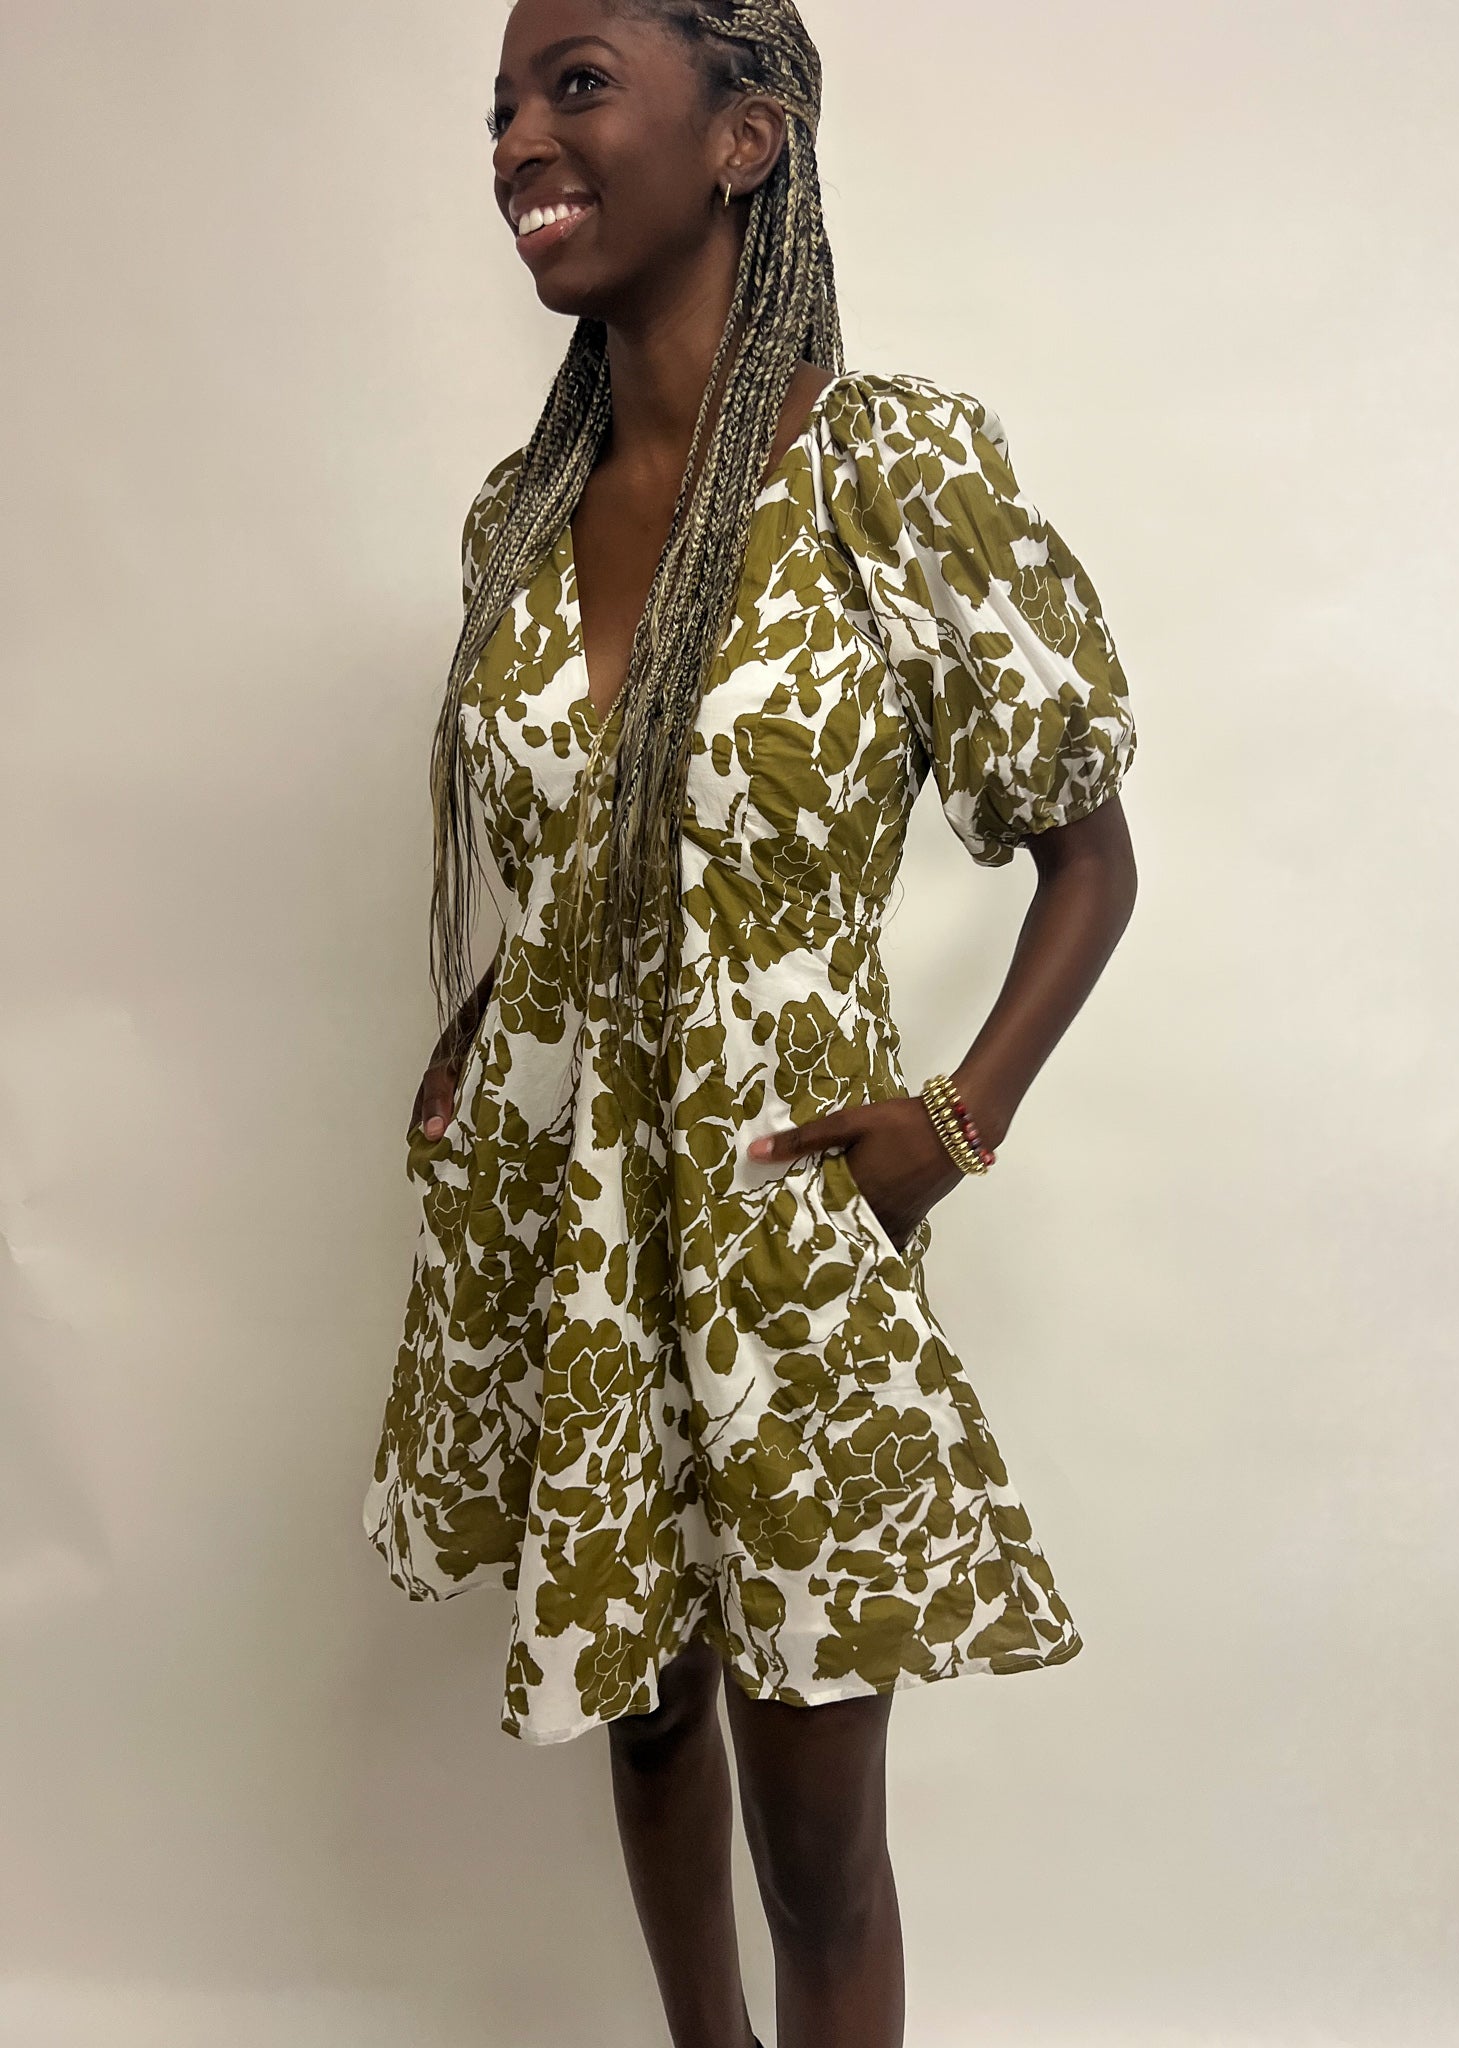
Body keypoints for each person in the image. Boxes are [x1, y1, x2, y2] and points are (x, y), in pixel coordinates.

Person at [365, 2, 1138, 2043]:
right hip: (570, 1220)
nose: (520, 140)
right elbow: (582, 845)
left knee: (818, 1848)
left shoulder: (882, 471)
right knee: (643, 1728)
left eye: (578, 85)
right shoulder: (517, 517)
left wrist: (955, 1121)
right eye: (503, 106)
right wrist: (484, 1027)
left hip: (782, 1236)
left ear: (745, 136)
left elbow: (1092, 857)